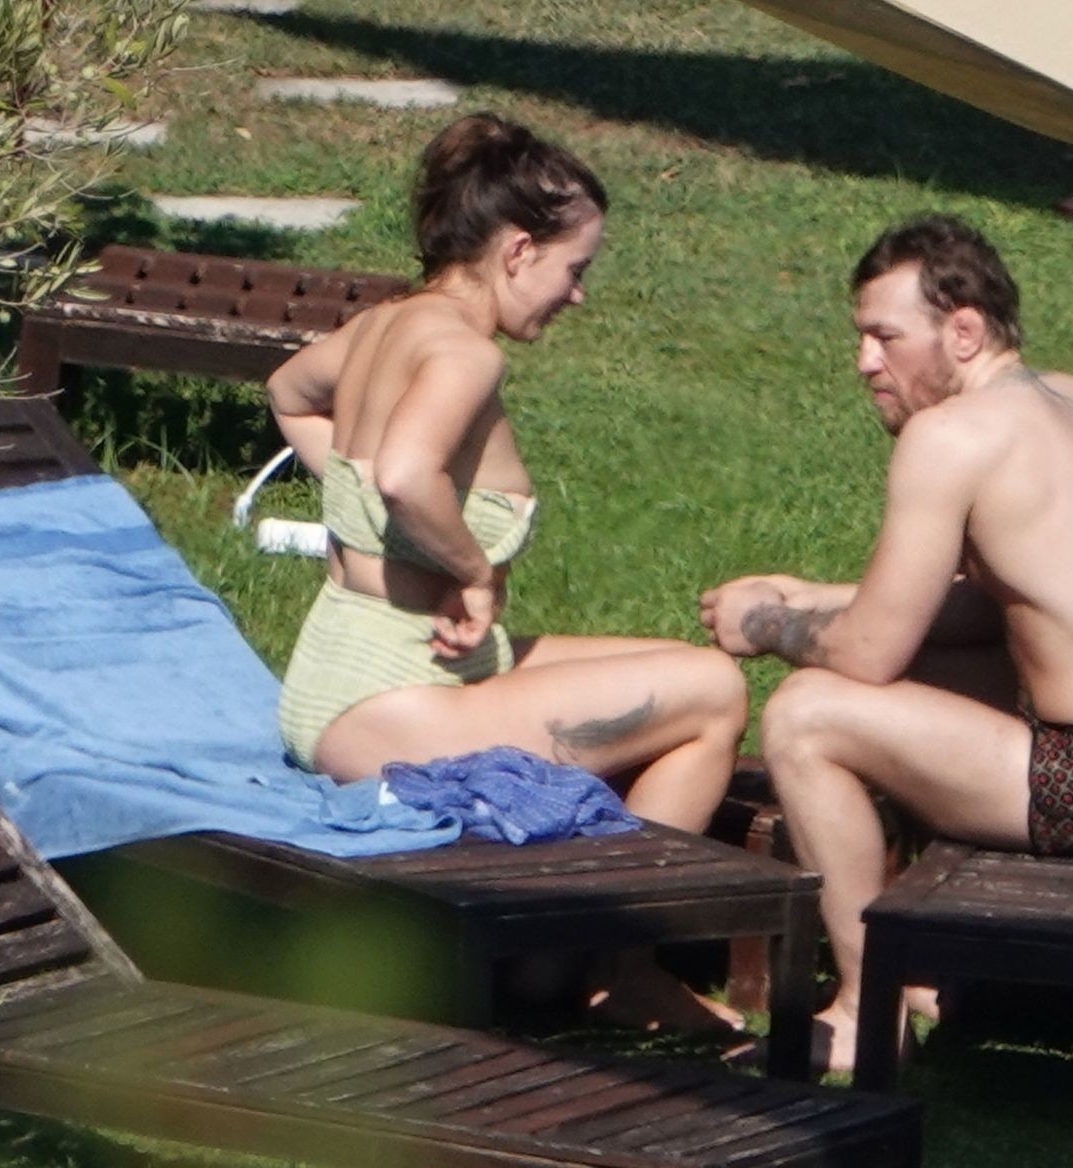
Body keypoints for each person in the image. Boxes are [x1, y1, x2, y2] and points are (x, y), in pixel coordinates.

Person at [699, 214, 1073, 1074]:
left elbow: (869, 651)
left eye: (885, 337)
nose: (864, 362)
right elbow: (992, 603)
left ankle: (869, 1011)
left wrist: (766, 624)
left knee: (805, 715)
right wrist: (813, 597)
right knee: (927, 663)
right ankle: (924, 963)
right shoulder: (1071, 398)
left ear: (964, 331)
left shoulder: (951, 437)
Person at [267, 112, 746, 1032]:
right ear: (518, 251)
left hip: (340, 669)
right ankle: (616, 967)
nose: (578, 296)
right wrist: (472, 569)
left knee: (679, 666)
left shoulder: (383, 326)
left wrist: (362, 513)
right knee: (717, 690)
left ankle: (583, 948)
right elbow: (407, 474)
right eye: (575, 269)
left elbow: (289, 393)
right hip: (389, 709)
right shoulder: (462, 351)